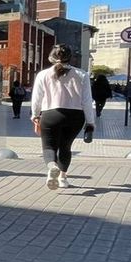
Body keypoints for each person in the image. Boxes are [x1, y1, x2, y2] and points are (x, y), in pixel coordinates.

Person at [30, 44, 96, 190]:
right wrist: (90, 122)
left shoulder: (43, 74)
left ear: (51, 57)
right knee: (65, 147)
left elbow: (37, 98)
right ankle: (63, 178)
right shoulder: (82, 74)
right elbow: (87, 100)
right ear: (70, 57)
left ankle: (52, 167)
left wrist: (35, 115)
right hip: (75, 116)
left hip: (51, 114)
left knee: (49, 146)